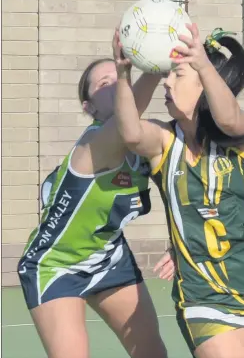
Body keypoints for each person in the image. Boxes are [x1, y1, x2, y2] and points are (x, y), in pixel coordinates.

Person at [113, 24, 244, 358]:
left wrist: (203, 64)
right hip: (203, 289)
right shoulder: (164, 141)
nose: (168, 82)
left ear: (206, 84)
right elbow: (130, 132)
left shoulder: (239, 135)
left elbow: (227, 119)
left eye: (177, 75)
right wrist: (130, 74)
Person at [17, 56, 175, 358]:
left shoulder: (145, 141)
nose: (118, 83)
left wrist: (178, 246)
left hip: (109, 258)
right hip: (56, 264)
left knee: (153, 353)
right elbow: (122, 125)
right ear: (89, 108)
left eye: (120, 77)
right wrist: (153, 70)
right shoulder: (93, 143)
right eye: (106, 83)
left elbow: (180, 192)